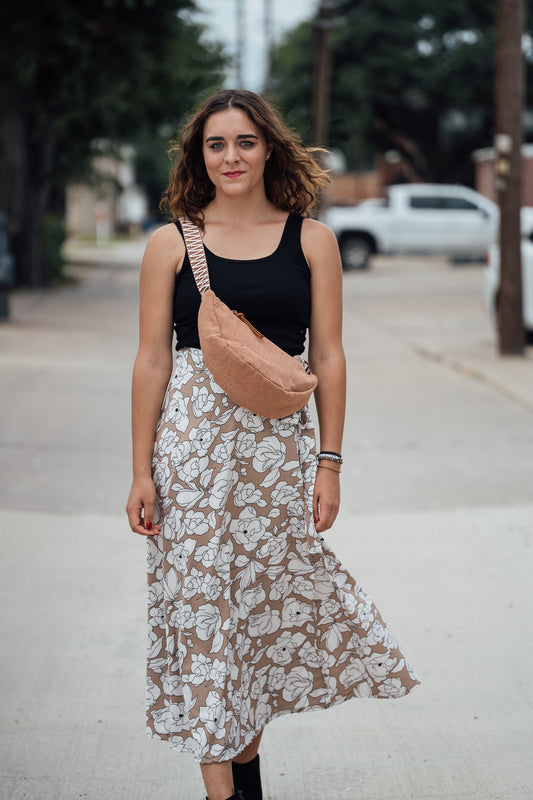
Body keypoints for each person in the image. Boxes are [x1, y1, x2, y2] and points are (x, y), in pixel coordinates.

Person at [126, 89, 419, 800]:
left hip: (276, 462)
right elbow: (152, 361)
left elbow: (331, 356)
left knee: (254, 621)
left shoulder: (310, 240)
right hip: (191, 462)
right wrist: (140, 470)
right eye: (216, 144)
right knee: (202, 611)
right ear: (200, 156)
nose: (231, 156)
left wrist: (330, 460)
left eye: (245, 142)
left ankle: (245, 779)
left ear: (268, 149)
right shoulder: (171, 244)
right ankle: (224, 794)